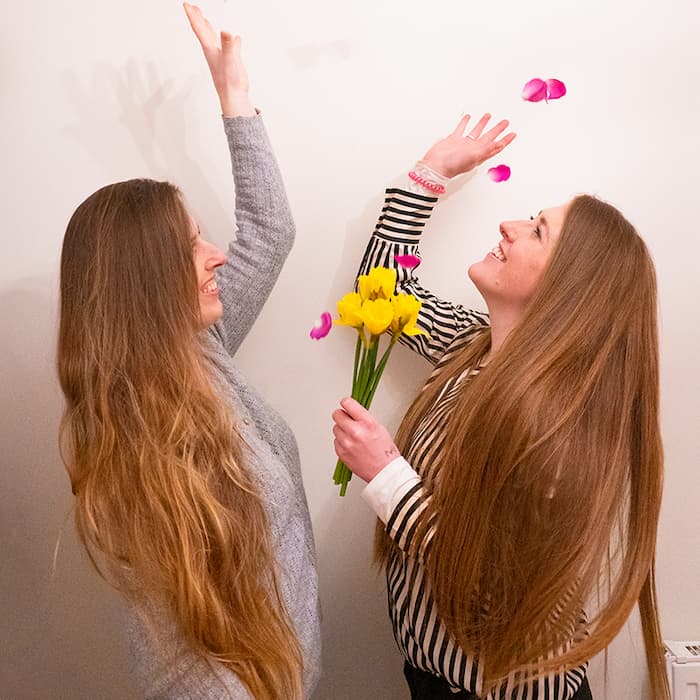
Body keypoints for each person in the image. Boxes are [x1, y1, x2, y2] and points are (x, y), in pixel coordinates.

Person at [332, 114, 668, 699]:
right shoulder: (473, 346)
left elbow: (492, 586)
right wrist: (429, 174)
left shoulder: (559, 420)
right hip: (437, 675)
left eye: (537, 230)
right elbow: (383, 291)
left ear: (570, 286)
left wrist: (387, 477)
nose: (509, 226)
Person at [57, 4, 320, 698]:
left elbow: (271, 231)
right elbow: (193, 658)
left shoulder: (199, 348)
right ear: (145, 281)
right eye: (192, 246)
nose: (217, 259)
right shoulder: (133, 440)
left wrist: (232, 96)